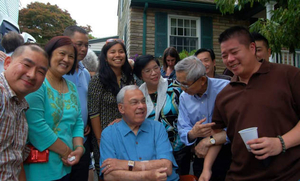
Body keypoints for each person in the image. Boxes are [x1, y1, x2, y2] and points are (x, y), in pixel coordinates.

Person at [200, 26, 300, 181]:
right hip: (238, 175)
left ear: (252, 48)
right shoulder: (225, 95)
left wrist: (281, 142)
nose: (230, 59)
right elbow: (218, 134)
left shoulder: (288, 76)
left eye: (234, 52)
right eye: (225, 55)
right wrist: (206, 170)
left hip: (287, 175)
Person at [24, 36, 84, 181]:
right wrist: (67, 152)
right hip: (40, 167)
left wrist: (79, 149)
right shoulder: (38, 83)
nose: (66, 59)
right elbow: (36, 126)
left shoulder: (71, 87)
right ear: (49, 54)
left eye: (71, 56)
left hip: (66, 166)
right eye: (62, 53)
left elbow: (78, 121)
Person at [99, 85, 179, 181]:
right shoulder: (109, 134)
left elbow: (167, 166)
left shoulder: (157, 128)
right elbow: (109, 175)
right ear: (121, 108)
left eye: (143, 101)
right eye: (134, 102)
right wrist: (146, 175)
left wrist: (126, 164)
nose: (141, 106)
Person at [174, 56, 231, 180]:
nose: (182, 88)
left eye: (186, 84)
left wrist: (211, 139)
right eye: (179, 83)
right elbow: (183, 129)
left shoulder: (225, 89)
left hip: (228, 152)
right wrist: (192, 133)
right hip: (201, 153)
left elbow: (237, 127)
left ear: (203, 80)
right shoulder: (185, 97)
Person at [133, 54, 190, 175]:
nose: (153, 73)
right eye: (147, 71)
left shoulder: (175, 87)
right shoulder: (138, 95)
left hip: (178, 149)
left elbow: (188, 114)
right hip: (152, 152)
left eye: (156, 68)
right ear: (140, 75)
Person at [0, 44, 48, 181]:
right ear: (7, 63)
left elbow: (15, 159)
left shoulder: (20, 106)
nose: (32, 75)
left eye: (40, 72)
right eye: (27, 65)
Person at [88, 38, 134, 176]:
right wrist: (100, 139)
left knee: (127, 171)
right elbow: (93, 111)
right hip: (104, 134)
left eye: (121, 51)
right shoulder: (98, 80)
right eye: (112, 52)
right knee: (108, 171)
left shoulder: (129, 78)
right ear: (106, 57)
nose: (117, 55)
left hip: (127, 133)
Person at [63, 25, 91, 181]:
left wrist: (84, 123)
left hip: (83, 140)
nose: (84, 48)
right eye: (79, 44)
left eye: (86, 45)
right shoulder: (55, 72)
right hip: (61, 142)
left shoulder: (85, 73)